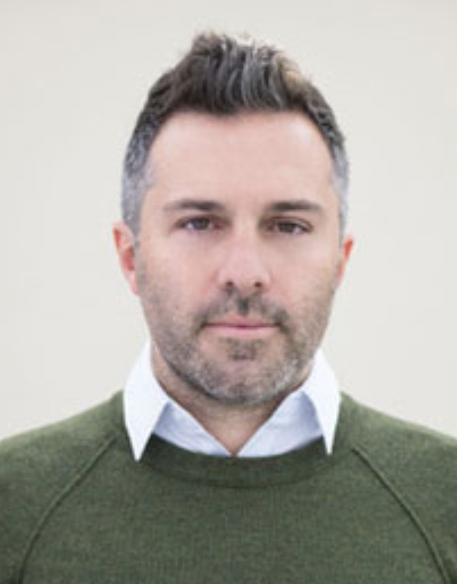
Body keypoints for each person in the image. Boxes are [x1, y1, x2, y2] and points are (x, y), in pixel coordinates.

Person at [1, 32, 456, 584]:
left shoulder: (444, 500)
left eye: (288, 226)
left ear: (340, 260)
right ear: (130, 257)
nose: (244, 271)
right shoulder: (14, 507)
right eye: (199, 223)